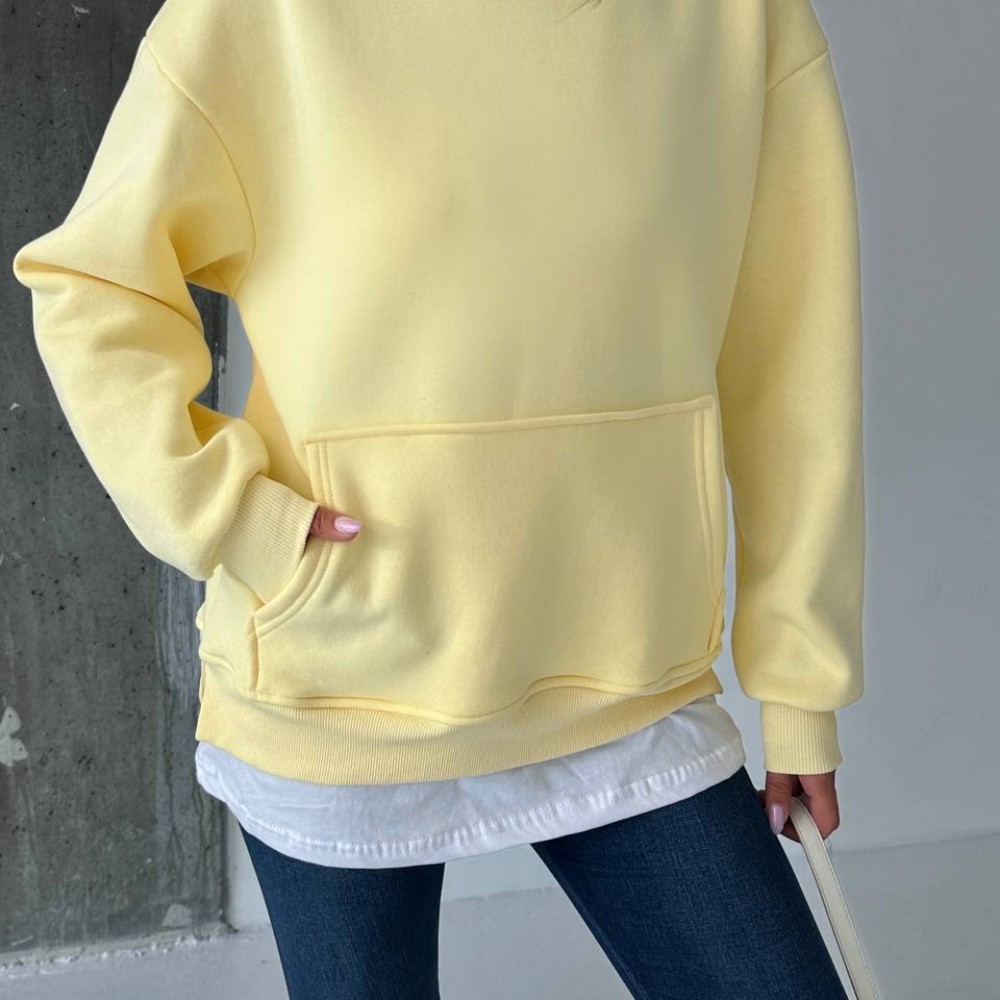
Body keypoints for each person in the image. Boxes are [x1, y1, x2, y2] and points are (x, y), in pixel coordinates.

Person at [11, 0, 865, 996]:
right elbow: (94, 285)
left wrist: (799, 686)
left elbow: (794, 362)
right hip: (341, 679)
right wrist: (233, 515)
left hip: (630, 671)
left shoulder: (741, 20)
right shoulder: (257, 18)